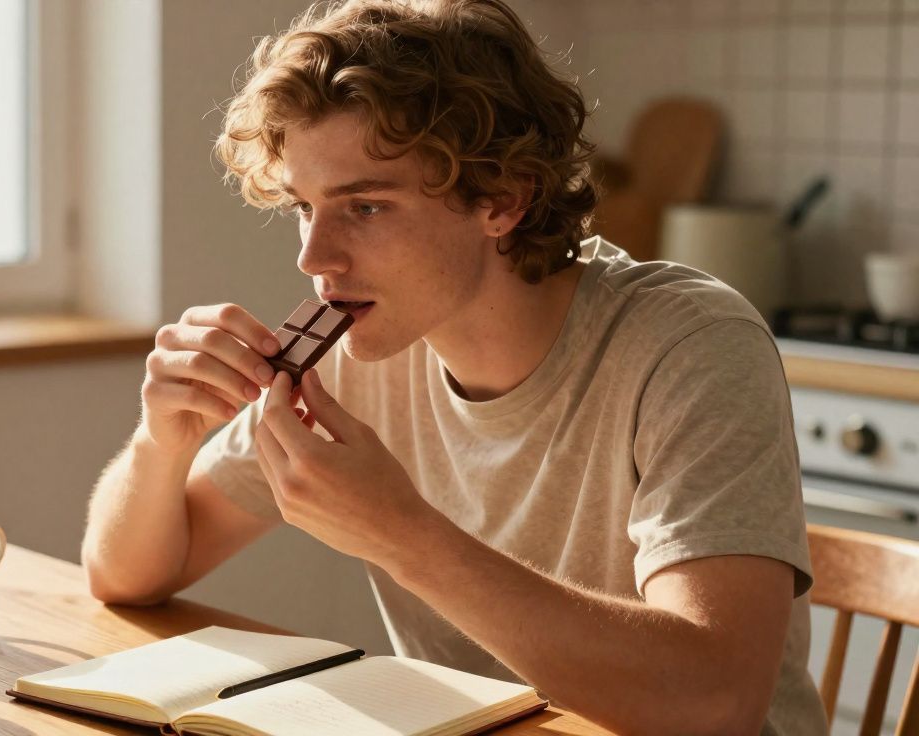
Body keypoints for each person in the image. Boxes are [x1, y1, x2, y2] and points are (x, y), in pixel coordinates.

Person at [81, 1, 828, 733]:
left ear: (502, 199)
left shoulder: (690, 344)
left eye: (365, 207)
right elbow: (126, 574)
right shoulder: (361, 351)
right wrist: (162, 441)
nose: (314, 259)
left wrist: (401, 533)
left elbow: (714, 703)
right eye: (304, 208)